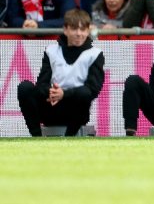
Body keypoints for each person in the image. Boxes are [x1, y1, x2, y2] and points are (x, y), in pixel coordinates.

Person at [17, 8, 103, 136]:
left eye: (83, 29)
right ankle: (36, 137)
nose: (79, 34)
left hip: (76, 109)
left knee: (84, 93)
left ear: (88, 31)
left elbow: (93, 90)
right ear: (65, 29)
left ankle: (69, 137)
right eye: (74, 29)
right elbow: (42, 84)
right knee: (25, 87)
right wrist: (51, 92)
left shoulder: (95, 54)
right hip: (51, 104)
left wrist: (64, 94)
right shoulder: (51, 51)